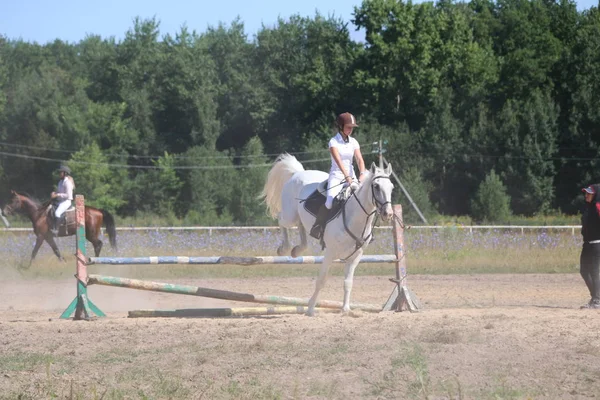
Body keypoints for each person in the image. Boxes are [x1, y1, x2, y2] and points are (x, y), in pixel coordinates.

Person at [309, 112, 367, 240]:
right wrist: (346, 177)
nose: (351, 130)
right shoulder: (333, 142)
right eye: (348, 127)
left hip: (352, 176)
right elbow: (338, 161)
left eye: (352, 127)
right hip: (337, 176)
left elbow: (359, 159)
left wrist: (362, 173)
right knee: (329, 200)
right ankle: (318, 227)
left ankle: (366, 232)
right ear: (340, 126)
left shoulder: (354, 142)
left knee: (362, 200)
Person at [580, 184, 600, 309]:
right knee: (583, 271)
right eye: (586, 193)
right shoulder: (588, 208)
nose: (586, 195)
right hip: (587, 244)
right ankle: (595, 297)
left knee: (593, 271)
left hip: (597, 244)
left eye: (589, 193)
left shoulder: (598, 207)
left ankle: (597, 300)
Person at [50, 165, 75, 235]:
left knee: (57, 213)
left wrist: (57, 195)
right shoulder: (60, 182)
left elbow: (68, 195)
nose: (59, 174)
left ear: (65, 173)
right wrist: (54, 193)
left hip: (67, 202)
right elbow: (59, 192)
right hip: (60, 201)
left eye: (61, 172)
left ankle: (56, 230)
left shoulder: (68, 183)